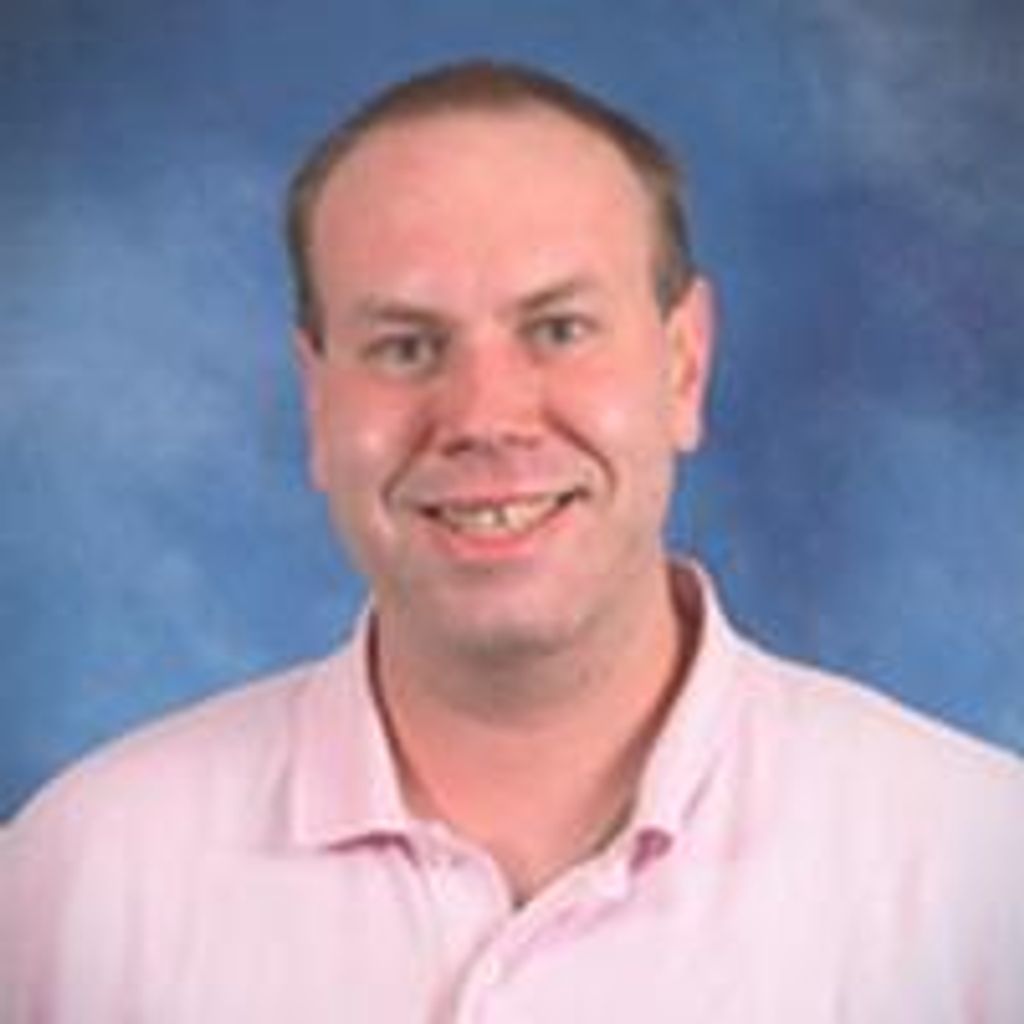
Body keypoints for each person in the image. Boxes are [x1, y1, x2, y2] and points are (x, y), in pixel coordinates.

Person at [2, 60, 1022, 1023]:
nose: (485, 416)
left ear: (683, 365)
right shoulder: (81, 884)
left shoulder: (977, 872)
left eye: (559, 329)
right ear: (318, 399)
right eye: (406, 345)